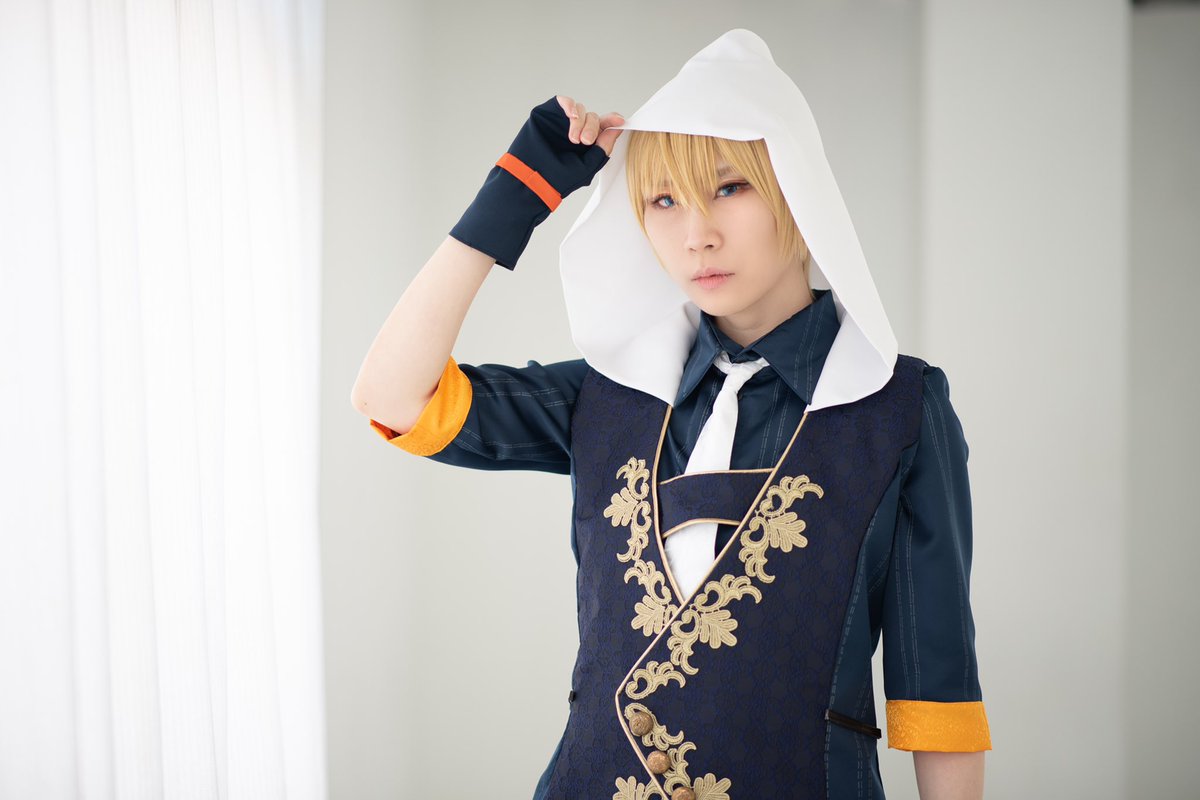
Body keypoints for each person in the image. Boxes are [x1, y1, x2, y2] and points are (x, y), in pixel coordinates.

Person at [352, 28, 990, 800]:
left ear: (797, 190)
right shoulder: (605, 396)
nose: (697, 236)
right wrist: (514, 196)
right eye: (663, 200)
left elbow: (938, 696)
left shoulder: (898, 409)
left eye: (729, 188)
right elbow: (391, 396)